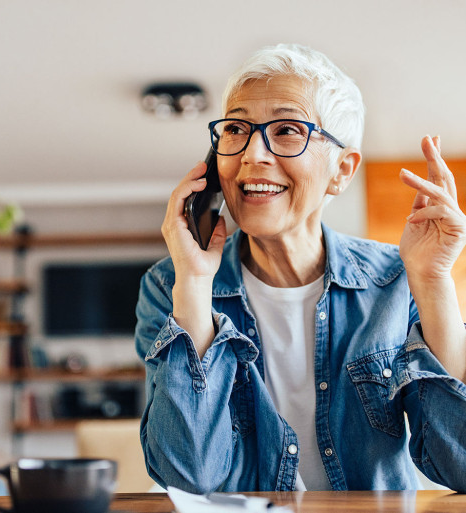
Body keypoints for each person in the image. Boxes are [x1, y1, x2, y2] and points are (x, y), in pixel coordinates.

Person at [135, 43, 466, 493]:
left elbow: (460, 466)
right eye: (236, 128)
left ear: (342, 171)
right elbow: (187, 475)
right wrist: (194, 284)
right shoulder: (169, 285)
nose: (253, 154)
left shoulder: (396, 280)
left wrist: (432, 284)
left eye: (287, 129)